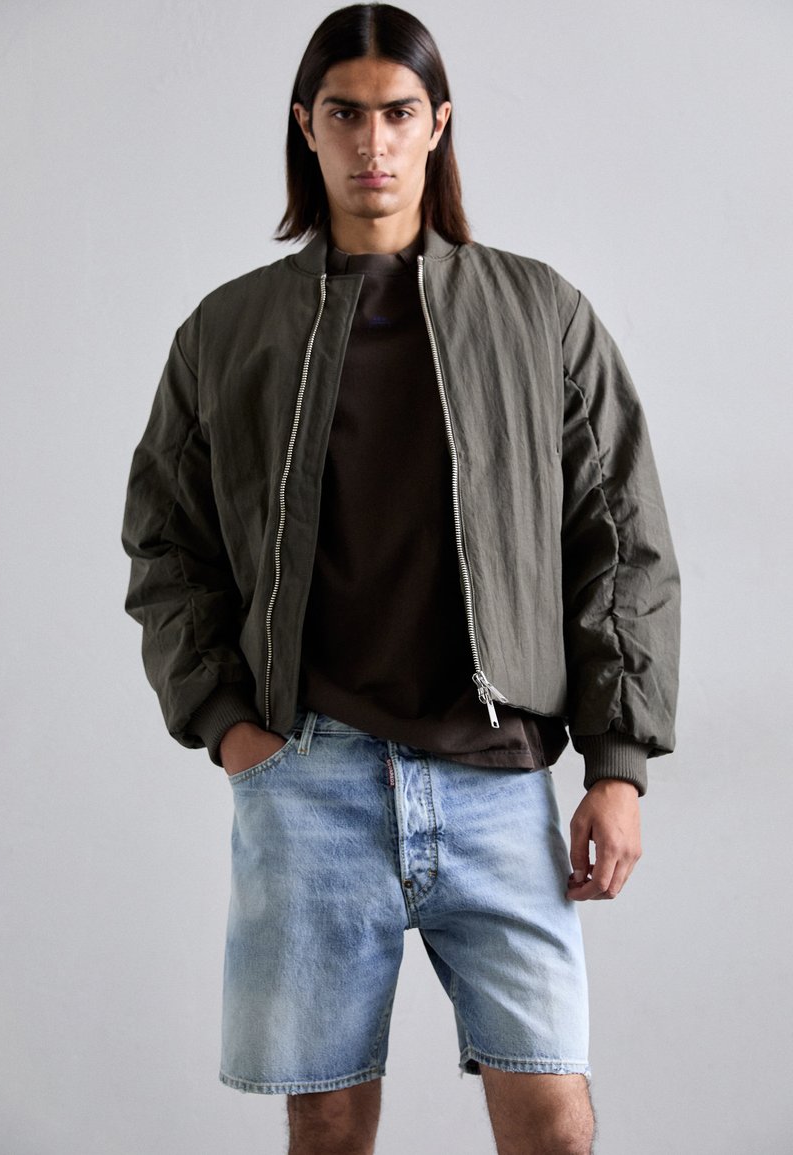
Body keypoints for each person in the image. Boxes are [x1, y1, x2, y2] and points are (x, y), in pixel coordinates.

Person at [121, 5, 680, 1152]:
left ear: (437, 124)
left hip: (494, 783)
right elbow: (166, 545)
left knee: (553, 1122)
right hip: (308, 779)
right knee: (328, 1126)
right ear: (305, 127)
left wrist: (616, 767)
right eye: (344, 114)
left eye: (396, 113)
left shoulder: (537, 313)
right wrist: (229, 727)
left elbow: (618, 535)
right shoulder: (227, 332)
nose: (370, 142)